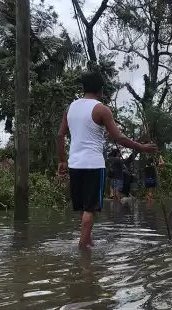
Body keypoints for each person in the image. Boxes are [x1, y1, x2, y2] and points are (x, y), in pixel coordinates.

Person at [57, 71, 157, 249]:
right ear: (101, 90)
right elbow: (119, 139)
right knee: (91, 209)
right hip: (93, 165)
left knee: (84, 209)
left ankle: (89, 243)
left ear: (84, 88)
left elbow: (60, 135)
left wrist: (62, 161)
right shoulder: (101, 109)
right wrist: (143, 147)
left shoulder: (69, 108)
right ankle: (83, 249)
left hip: (74, 164)